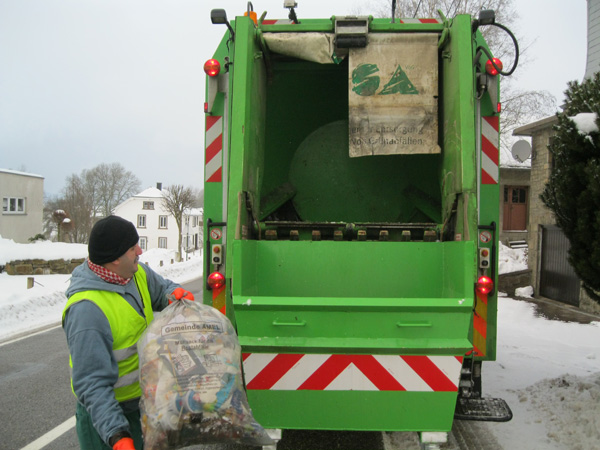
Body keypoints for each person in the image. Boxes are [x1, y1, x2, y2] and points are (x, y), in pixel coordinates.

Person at [63, 215, 194, 450]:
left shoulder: (135, 273)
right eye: (133, 248)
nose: (140, 251)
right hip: (107, 419)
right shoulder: (87, 310)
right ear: (115, 259)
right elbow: (91, 384)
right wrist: (117, 435)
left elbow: (162, 288)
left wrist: (174, 295)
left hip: (142, 405)